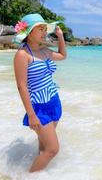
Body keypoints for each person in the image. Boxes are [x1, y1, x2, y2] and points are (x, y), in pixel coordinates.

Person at [13, 13, 67, 172]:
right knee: (53, 149)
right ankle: (28, 176)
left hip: (53, 101)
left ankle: (39, 173)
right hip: (38, 107)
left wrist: (60, 37)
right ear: (28, 33)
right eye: (40, 29)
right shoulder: (23, 55)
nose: (44, 32)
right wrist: (31, 115)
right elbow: (21, 87)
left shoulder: (44, 51)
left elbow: (63, 56)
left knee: (44, 147)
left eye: (45, 29)